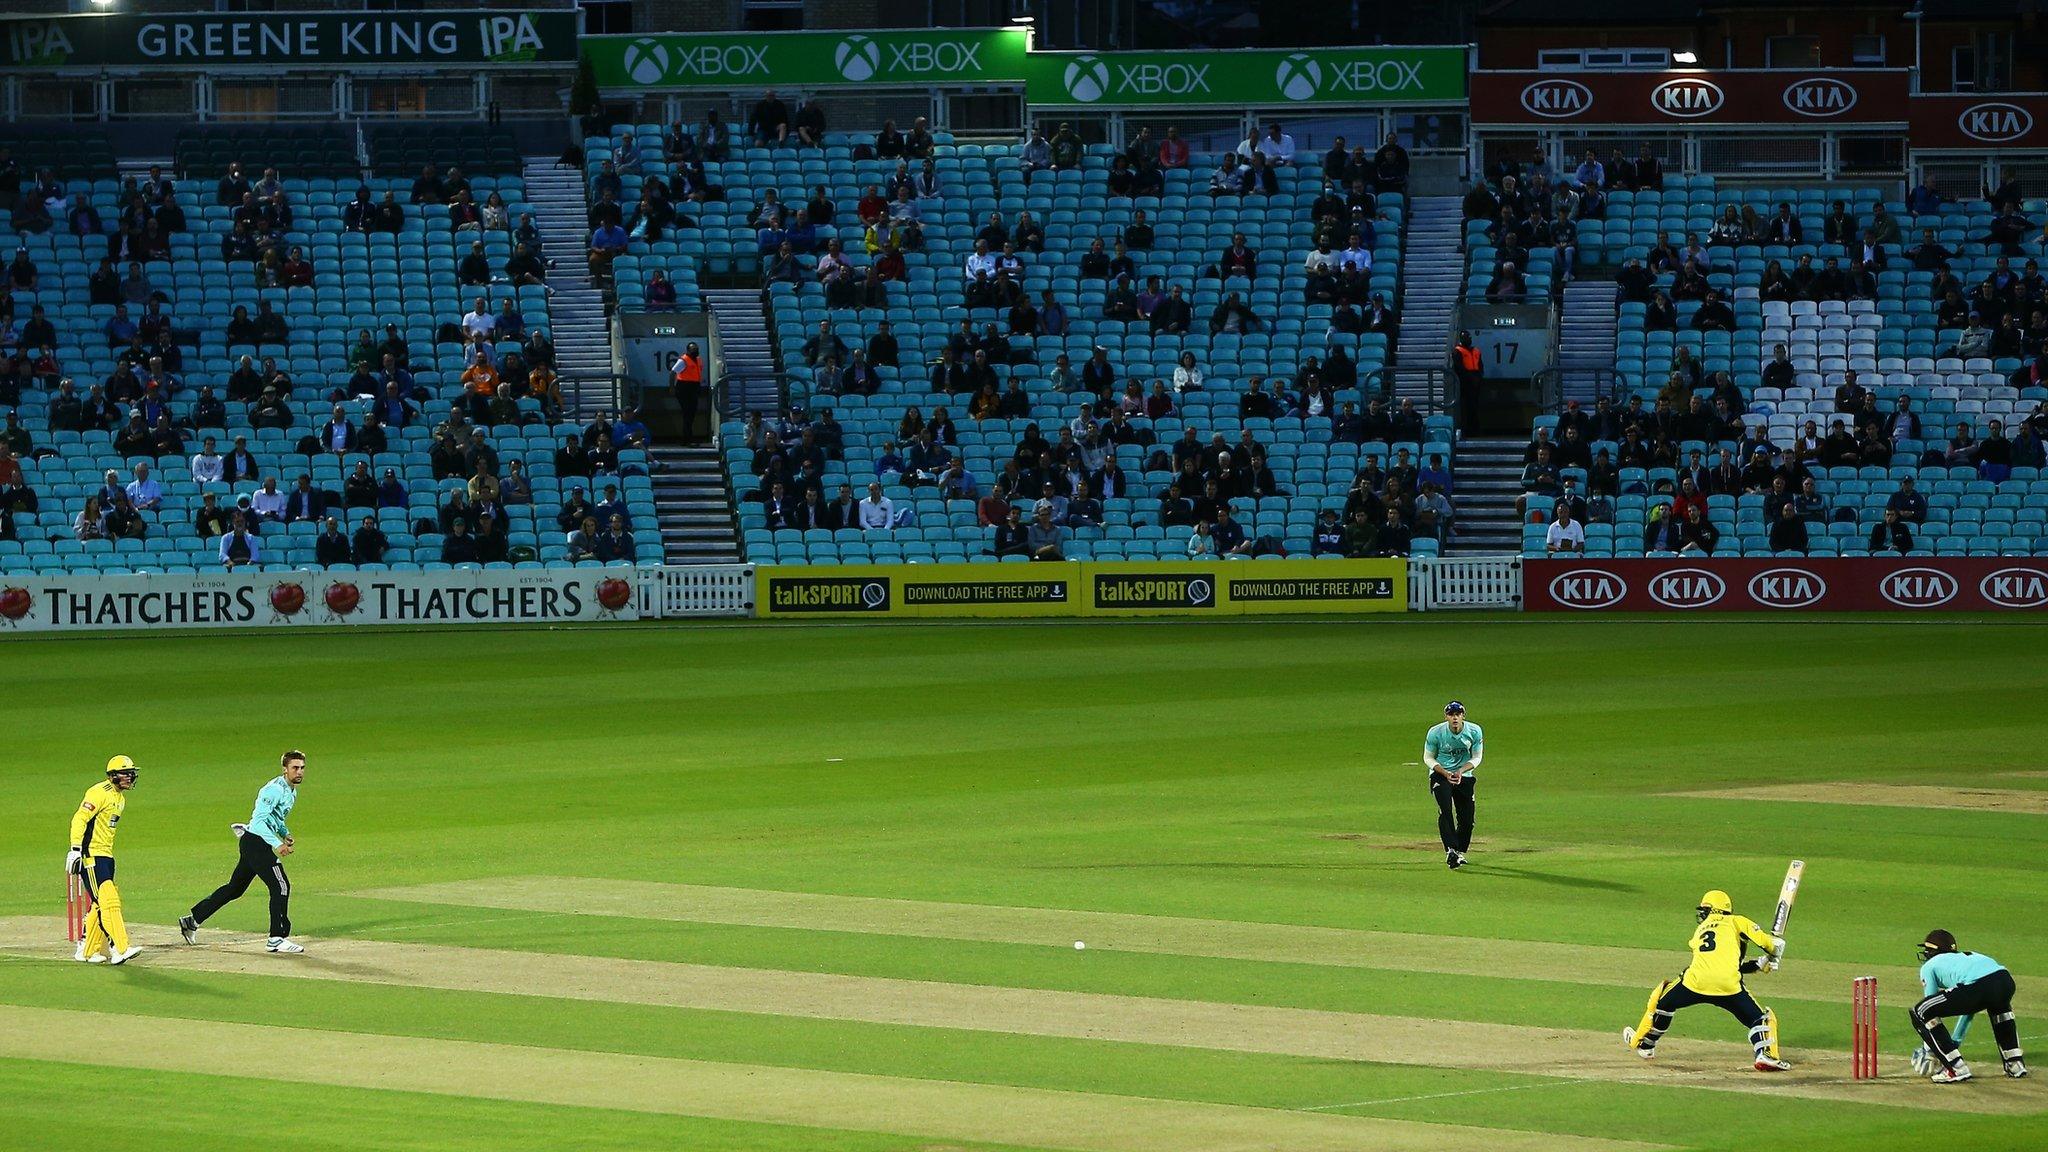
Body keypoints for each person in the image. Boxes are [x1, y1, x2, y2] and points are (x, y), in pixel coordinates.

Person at [1623, 889, 1787, 1071]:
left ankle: (1644, 1045)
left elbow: (1713, 964)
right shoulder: (1737, 921)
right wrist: (1773, 953)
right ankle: (1765, 1054)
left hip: (1695, 982)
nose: (1702, 913)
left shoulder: (1700, 930)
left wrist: (1760, 963)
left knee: (1662, 1000)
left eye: (1705, 909)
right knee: (1761, 1019)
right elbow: (1766, 946)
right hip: (1728, 986)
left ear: (1714, 909)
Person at [179, 751, 307, 954]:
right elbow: (258, 821)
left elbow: (275, 817)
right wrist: (277, 844)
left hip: (257, 842)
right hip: (255, 842)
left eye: (302, 768)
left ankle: (192, 921)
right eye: (295, 768)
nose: (299, 772)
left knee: (235, 888)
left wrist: (284, 833)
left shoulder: (292, 791)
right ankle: (276, 938)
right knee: (280, 885)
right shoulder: (272, 790)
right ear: (285, 769)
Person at [1909, 929, 2027, 1083]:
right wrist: (1955, 1041)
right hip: (2005, 980)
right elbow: (1970, 1007)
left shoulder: (1929, 966)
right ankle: (2015, 1063)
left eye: (1927, 950)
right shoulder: (1966, 957)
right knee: (2000, 1008)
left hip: (1979, 986)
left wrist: (1930, 1050)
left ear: (1933, 952)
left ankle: (1955, 1068)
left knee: (1920, 1010)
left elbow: (1929, 1006)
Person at [68, 756, 144, 965]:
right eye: (125, 773)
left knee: (98, 903)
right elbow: (79, 818)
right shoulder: (98, 792)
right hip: (91, 856)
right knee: (108, 900)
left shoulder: (120, 798)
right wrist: (75, 849)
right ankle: (120, 948)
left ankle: (88, 951)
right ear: (113, 775)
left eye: (131, 773)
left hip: (106, 856)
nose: (130, 777)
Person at [1423, 702, 1482, 870]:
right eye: (1451, 714)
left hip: (1464, 776)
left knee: (1467, 819)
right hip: (1441, 775)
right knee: (1445, 810)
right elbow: (1428, 758)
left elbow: (1477, 757)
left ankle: (1459, 851)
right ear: (1446, 716)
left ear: (1463, 715)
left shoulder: (1474, 731)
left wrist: (1461, 771)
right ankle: (1450, 850)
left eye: (1458, 714)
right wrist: (1445, 773)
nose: (1454, 717)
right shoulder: (1436, 732)